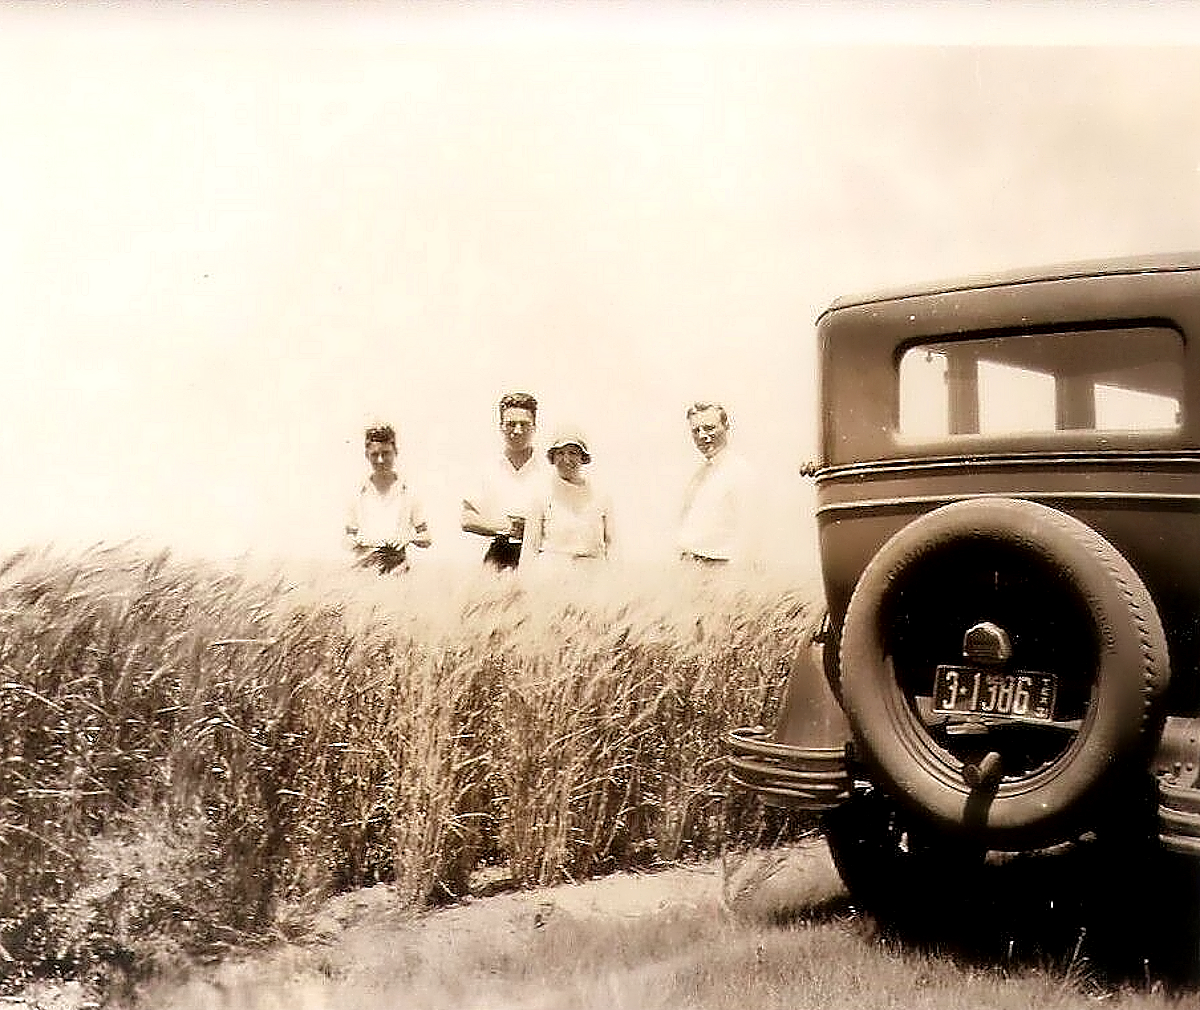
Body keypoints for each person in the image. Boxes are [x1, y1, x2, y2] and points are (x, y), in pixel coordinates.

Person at [461, 391, 550, 570]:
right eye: (511, 424)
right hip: (499, 555)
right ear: (501, 426)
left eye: (524, 424)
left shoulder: (549, 470)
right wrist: (505, 527)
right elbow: (467, 518)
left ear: (535, 427)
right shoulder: (487, 469)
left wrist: (532, 527)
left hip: (542, 556)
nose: (517, 431)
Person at [344, 423, 432, 574]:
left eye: (385, 453)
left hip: (397, 570)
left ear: (395, 452)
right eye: (374, 454)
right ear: (366, 455)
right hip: (363, 570)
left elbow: (426, 538)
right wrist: (358, 542)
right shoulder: (357, 493)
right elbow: (347, 538)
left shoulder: (409, 492)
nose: (380, 460)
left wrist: (408, 537)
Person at [677, 401, 757, 566]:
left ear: (726, 426)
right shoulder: (700, 474)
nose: (702, 436)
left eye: (709, 428)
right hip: (690, 569)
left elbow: (749, 534)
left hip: (720, 569)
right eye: (696, 431)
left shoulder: (740, 472)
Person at [521, 429, 613, 571]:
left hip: (594, 576)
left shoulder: (600, 496)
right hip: (552, 575)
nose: (566, 460)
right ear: (553, 458)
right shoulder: (541, 495)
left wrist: (617, 582)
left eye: (573, 453)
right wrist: (525, 585)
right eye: (560, 453)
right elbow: (530, 547)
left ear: (583, 457)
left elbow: (612, 544)